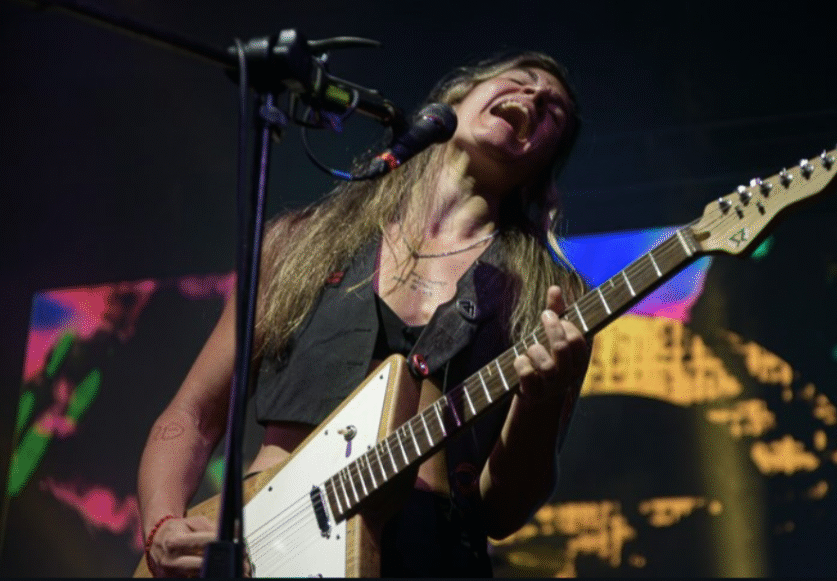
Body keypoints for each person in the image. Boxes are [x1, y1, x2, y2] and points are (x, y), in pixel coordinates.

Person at [137, 51, 592, 577]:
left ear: (546, 166)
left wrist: (541, 402)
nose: (534, 96)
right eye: (520, 80)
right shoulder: (299, 243)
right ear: (457, 98)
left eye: (554, 110)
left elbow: (502, 512)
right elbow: (192, 416)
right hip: (261, 551)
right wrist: (162, 526)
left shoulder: (551, 296)